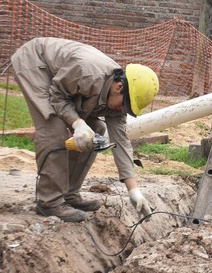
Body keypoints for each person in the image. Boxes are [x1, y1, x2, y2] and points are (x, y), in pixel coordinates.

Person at [11, 38, 160, 223]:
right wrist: (77, 123)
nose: (123, 112)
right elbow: (57, 96)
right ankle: (49, 201)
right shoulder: (88, 72)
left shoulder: (119, 100)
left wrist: (133, 190)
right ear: (119, 87)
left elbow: (121, 142)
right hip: (37, 64)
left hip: (65, 82)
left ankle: (69, 194)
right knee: (54, 130)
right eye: (125, 106)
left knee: (96, 130)